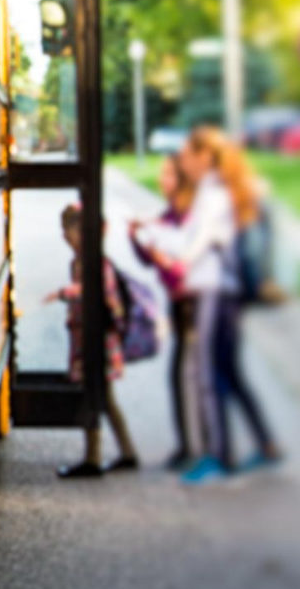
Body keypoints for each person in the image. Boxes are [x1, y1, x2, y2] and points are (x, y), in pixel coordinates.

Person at [146, 127, 280, 483]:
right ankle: (266, 444)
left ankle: (218, 456)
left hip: (215, 292)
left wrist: (180, 259)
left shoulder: (215, 191)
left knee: (208, 373)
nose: (184, 162)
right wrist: (153, 232)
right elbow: (194, 238)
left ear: (205, 156)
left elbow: (201, 239)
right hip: (223, 291)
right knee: (228, 371)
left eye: (188, 154)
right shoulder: (217, 188)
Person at [45, 204, 138, 478]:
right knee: (105, 400)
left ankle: (93, 458)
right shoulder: (81, 260)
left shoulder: (94, 262)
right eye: (63, 230)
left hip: (96, 342)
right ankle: (127, 452)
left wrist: (64, 292)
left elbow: (97, 292)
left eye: (69, 230)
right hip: (88, 339)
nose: (65, 236)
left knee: (93, 397)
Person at [129, 154, 197, 469]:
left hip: (195, 303)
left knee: (199, 376)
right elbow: (150, 261)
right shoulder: (170, 215)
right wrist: (137, 241)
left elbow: (178, 263)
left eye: (168, 174)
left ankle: (197, 449)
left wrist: (160, 254)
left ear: (181, 179)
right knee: (190, 376)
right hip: (180, 302)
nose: (161, 179)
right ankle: (191, 447)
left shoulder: (187, 216)